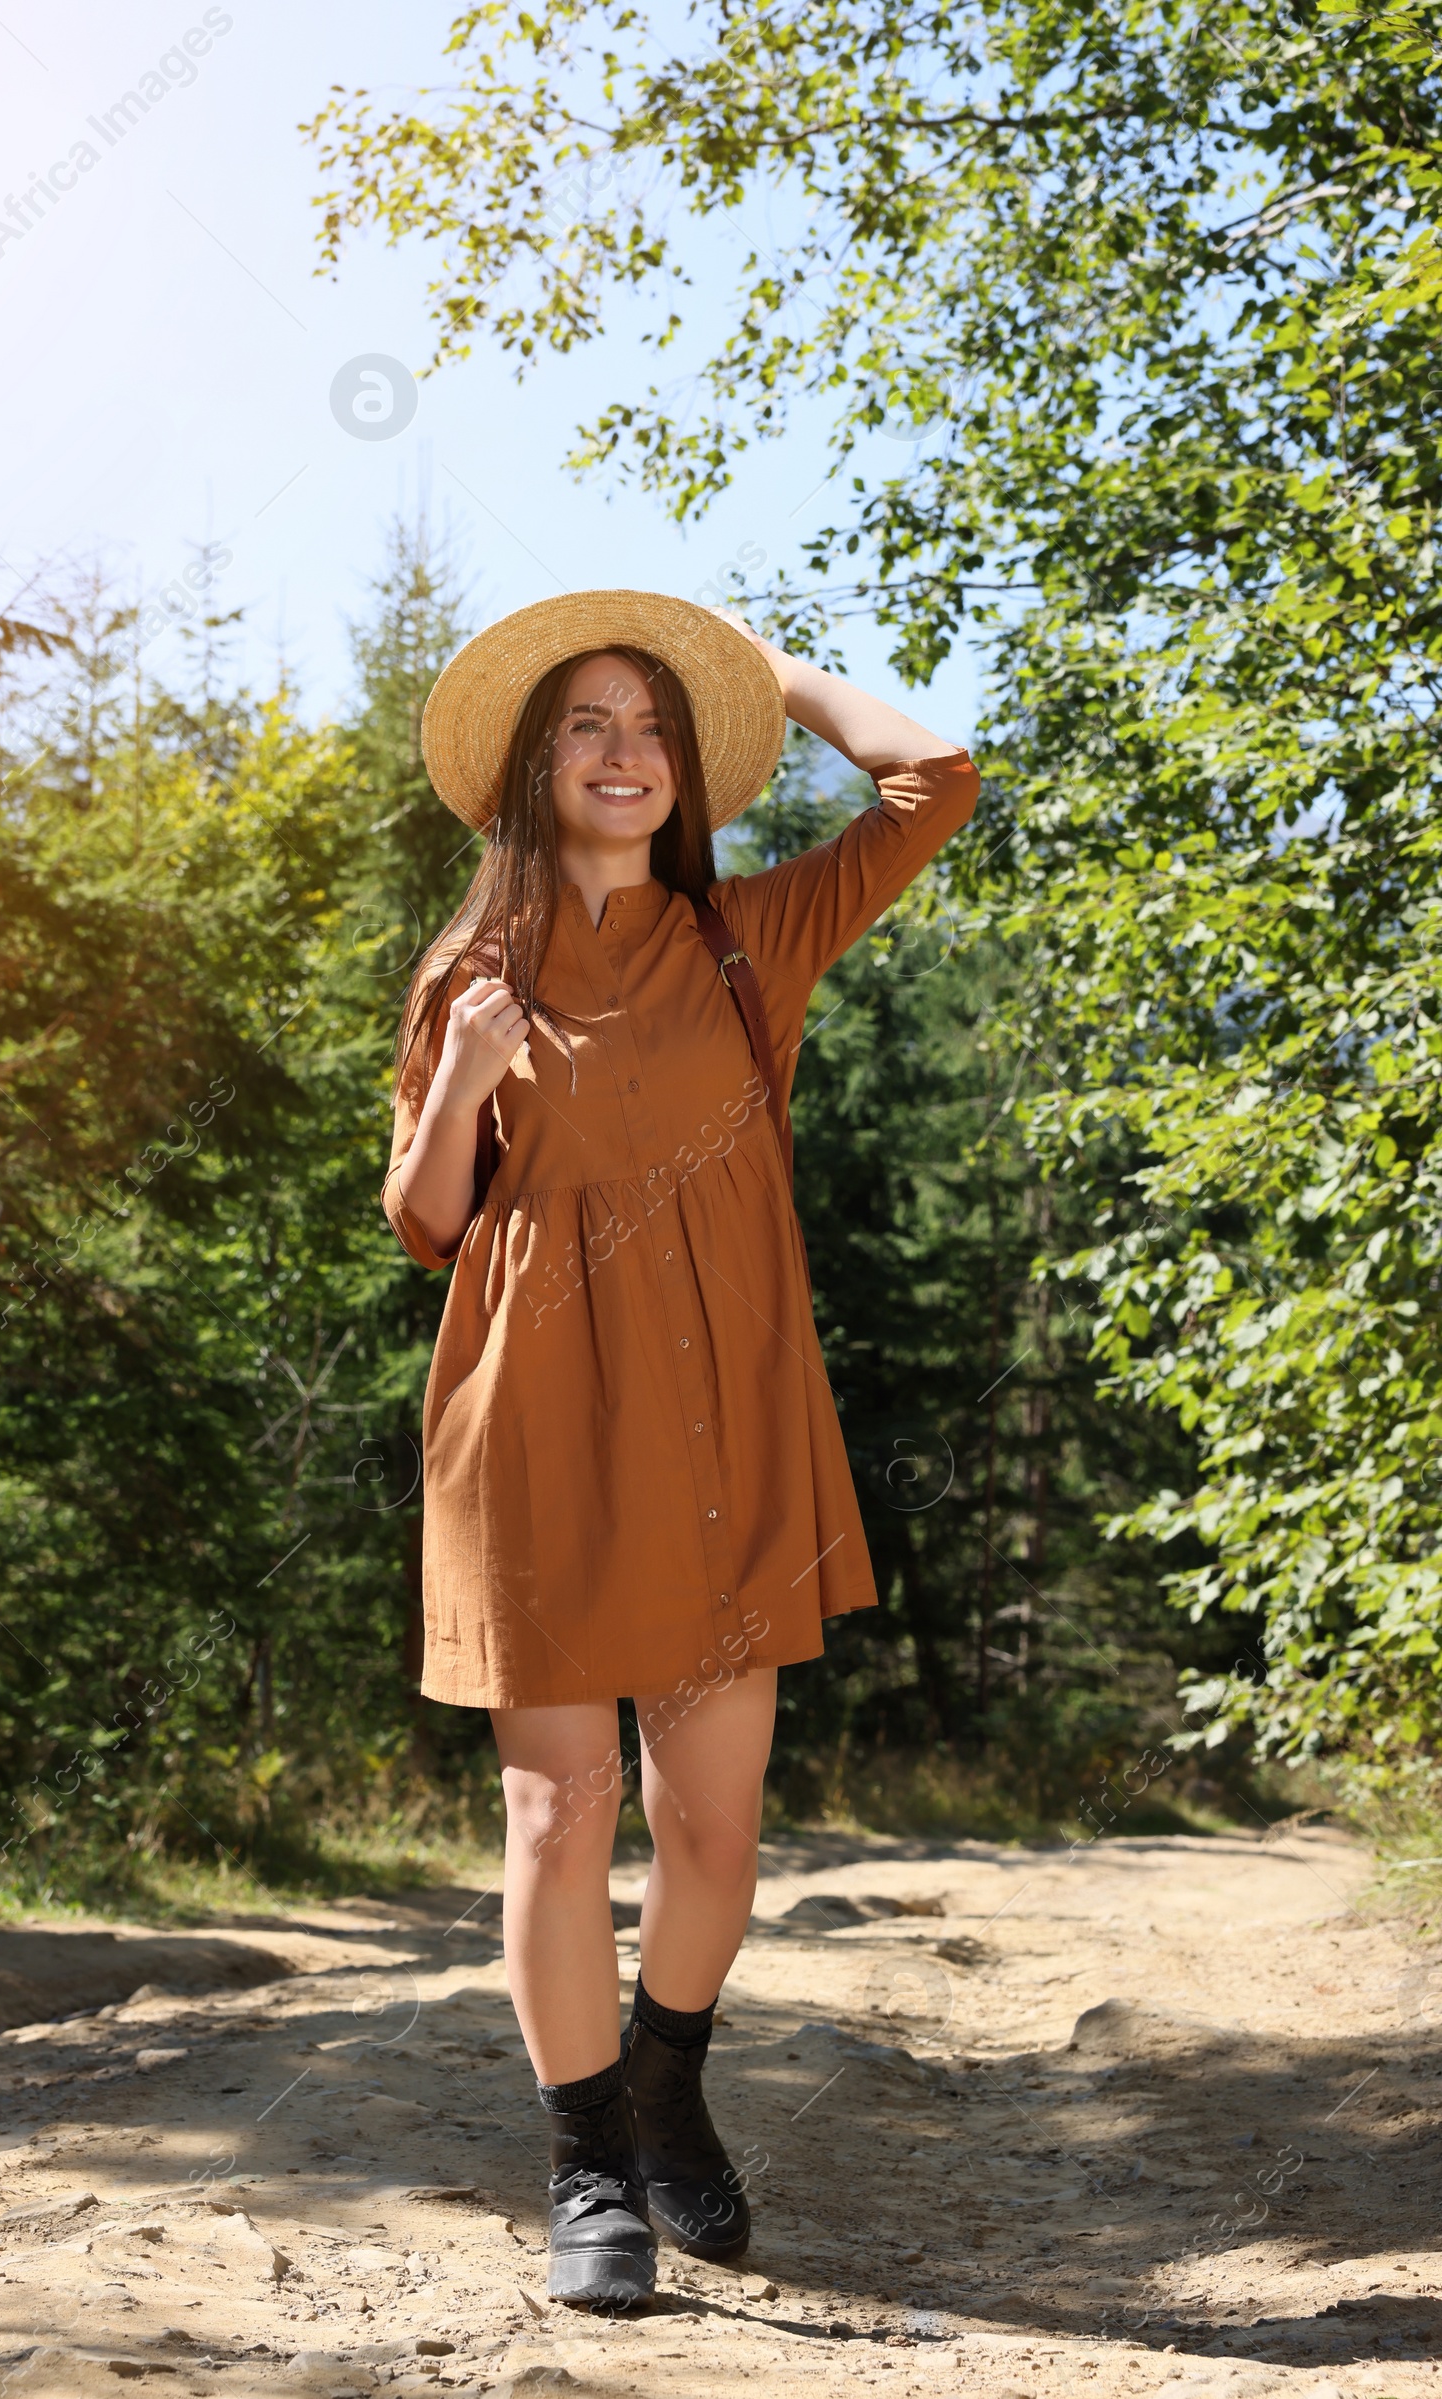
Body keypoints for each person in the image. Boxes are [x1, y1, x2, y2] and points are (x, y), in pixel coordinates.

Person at [384, 590, 978, 2308]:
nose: (623, 751)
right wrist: (459, 1083)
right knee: (560, 1814)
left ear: (688, 763)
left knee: (710, 1825)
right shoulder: (466, 972)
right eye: (588, 722)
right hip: (535, 1428)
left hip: (727, 1420)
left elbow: (933, 777)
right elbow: (426, 1225)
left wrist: (764, 675)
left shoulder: (751, 936)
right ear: (533, 765)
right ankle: (589, 2171)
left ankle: (668, 2090)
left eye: (654, 722)